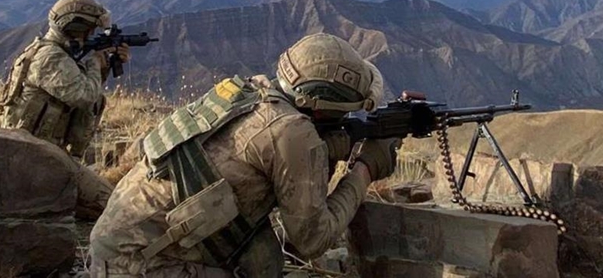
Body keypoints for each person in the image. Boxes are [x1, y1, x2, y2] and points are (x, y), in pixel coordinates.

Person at [89, 33, 400, 277]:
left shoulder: (252, 91)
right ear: (322, 106)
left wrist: (333, 147)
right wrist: (365, 169)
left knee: (261, 250)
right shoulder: (294, 133)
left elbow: (249, 151)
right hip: (140, 268)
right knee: (263, 263)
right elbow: (312, 241)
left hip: (112, 249)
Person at [0, 0, 130, 157]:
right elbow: (84, 96)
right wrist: (95, 63)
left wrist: (105, 66)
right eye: (89, 29)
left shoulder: (60, 52)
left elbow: (82, 85)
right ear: (76, 27)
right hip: (29, 152)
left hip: (39, 147)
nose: (91, 34)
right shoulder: (50, 57)